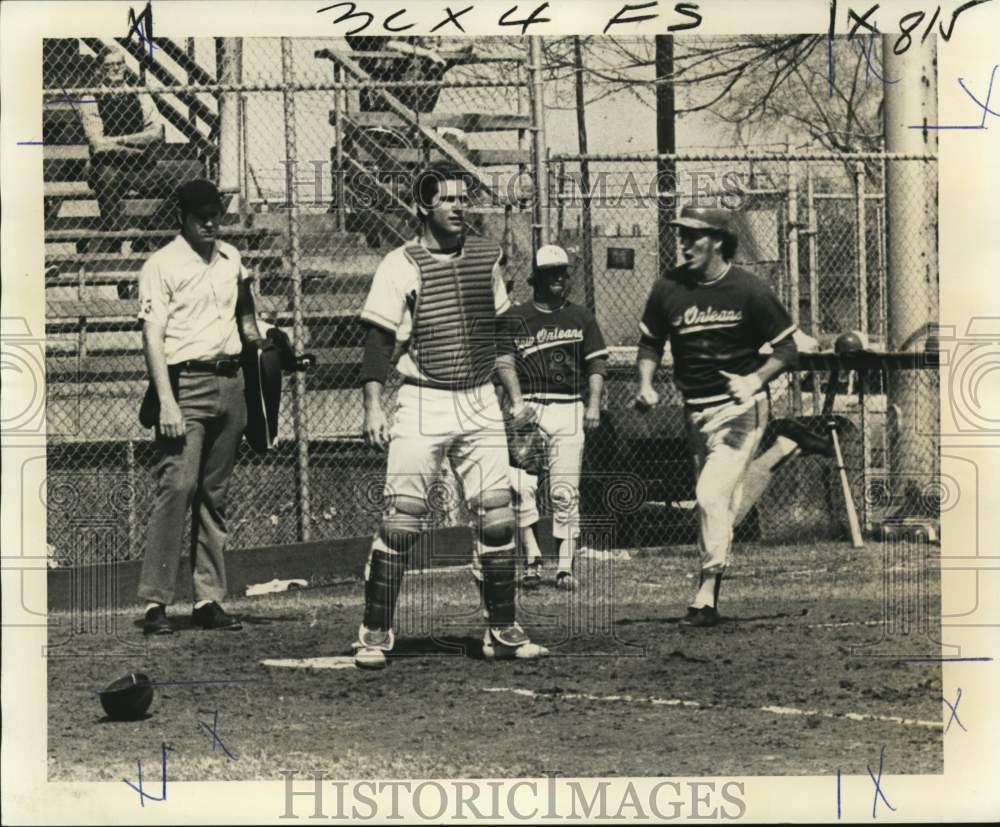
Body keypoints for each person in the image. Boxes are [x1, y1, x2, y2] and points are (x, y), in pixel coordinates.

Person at [354, 161, 548, 669]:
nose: (460, 207)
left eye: (464, 198)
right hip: (423, 398)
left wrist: (514, 397)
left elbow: (499, 332)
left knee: (498, 517)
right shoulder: (400, 264)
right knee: (402, 521)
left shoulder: (486, 257)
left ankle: (502, 629)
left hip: (479, 396)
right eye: (448, 199)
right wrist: (373, 404)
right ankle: (375, 631)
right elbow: (376, 341)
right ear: (423, 206)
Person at [635, 206, 799, 628]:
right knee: (720, 501)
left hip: (740, 408)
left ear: (719, 241)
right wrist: (646, 384)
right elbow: (650, 342)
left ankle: (706, 594)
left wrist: (755, 380)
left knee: (710, 496)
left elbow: (788, 349)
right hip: (695, 411)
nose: (685, 243)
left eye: (695, 236)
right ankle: (780, 453)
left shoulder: (749, 290)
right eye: (682, 235)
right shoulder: (668, 288)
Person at [137, 179, 265, 635]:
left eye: (216, 214)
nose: (211, 222)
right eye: (201, 216)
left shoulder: (232, 259)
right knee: (177, 488)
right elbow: (153, 336)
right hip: (185, 383)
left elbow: (246, 319)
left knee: (215, 495)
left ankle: (208, 599)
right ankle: (156, 602)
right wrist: (167, 402)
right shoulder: (162, 264)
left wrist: (270, 346)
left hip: (230, 381)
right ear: (183, 218)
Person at [501, 245, 609, 590]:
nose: (560, 277)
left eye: (563, 271)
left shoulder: (581, 317)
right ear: (537, 278)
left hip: (568, 407)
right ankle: (532, 557)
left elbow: (596, 364)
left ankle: (565, 566)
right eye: (552, 272)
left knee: (565, 491)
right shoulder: (516, 316)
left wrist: (593, 406)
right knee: (519, 488)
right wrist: (517, 405)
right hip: (529, 405)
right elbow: (503, 362)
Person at [77, 48, 171, 246]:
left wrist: (118, 140)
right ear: (100, 71)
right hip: (108, 167)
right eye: (109, 65)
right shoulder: (90, 97)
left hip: (140, 168)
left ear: (125, 67)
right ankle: (116, 240)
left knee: (189, 175)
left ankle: (149, 231)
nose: (115, 69)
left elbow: (157, 133)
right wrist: (138, 144)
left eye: (119, 64)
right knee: (105, 177)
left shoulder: (139, 94)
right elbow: (98, 145)